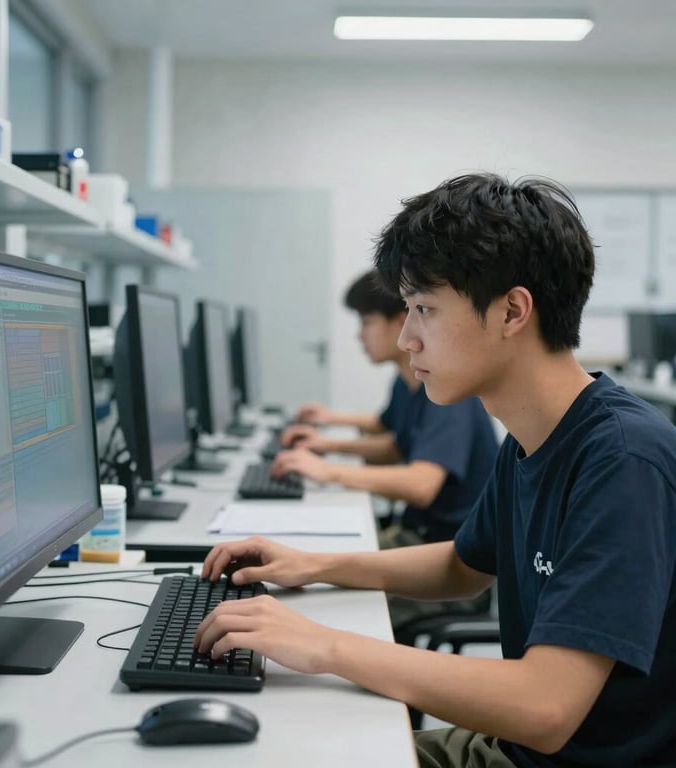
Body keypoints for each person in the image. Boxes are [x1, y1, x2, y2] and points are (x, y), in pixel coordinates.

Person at [195, 173, 676, 768]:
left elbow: (546, 709)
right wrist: (313, 565)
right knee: (289, 740)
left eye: (424, 309)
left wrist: (323, 644)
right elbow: (464, 565)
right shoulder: (534, 435)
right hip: (518, 751)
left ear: (512, 311)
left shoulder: (623, 460)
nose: (407, 337)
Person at [276, 270, 499, 551]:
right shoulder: (409, 379)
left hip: (444, 555)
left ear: (400, 321)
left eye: (367, 322)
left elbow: (421, 485)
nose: (359, 336)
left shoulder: (447, 391)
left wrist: (328, 471)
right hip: (417, 533)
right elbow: (394, 443)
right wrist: (326, 444)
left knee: (309, 552)